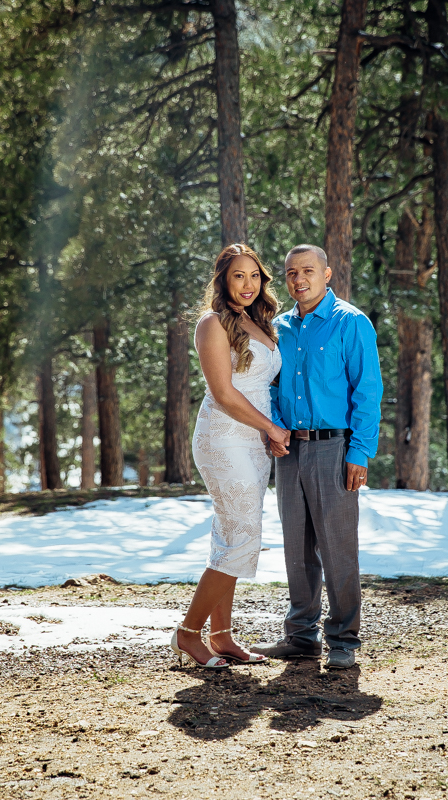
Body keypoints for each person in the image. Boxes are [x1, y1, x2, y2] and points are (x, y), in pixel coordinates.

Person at [250, 244, 383, 670]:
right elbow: (268, 386)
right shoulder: (279, 328)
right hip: (288, 449)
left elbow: (367, 392)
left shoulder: (351, 323)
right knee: (297, 548)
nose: (298, 279)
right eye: (290, 273)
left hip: (334, 447)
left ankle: (343, 637)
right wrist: (272, 427)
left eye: (308, 270)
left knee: (337, 546)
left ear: (328, 274)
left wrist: (359, 452)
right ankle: (301, 637)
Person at [171, 243, 291, 669]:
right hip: (223, 438)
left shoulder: (258, 323)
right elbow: (223, 393)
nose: (248, 284)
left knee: (231, 537)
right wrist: (273, 428)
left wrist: (270, 432)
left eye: (255, 276)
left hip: (256, 442)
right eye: (239, 276)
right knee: (241, 536)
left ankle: (221, 636)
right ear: (223, 279)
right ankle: (188, 633)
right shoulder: (211, 324)